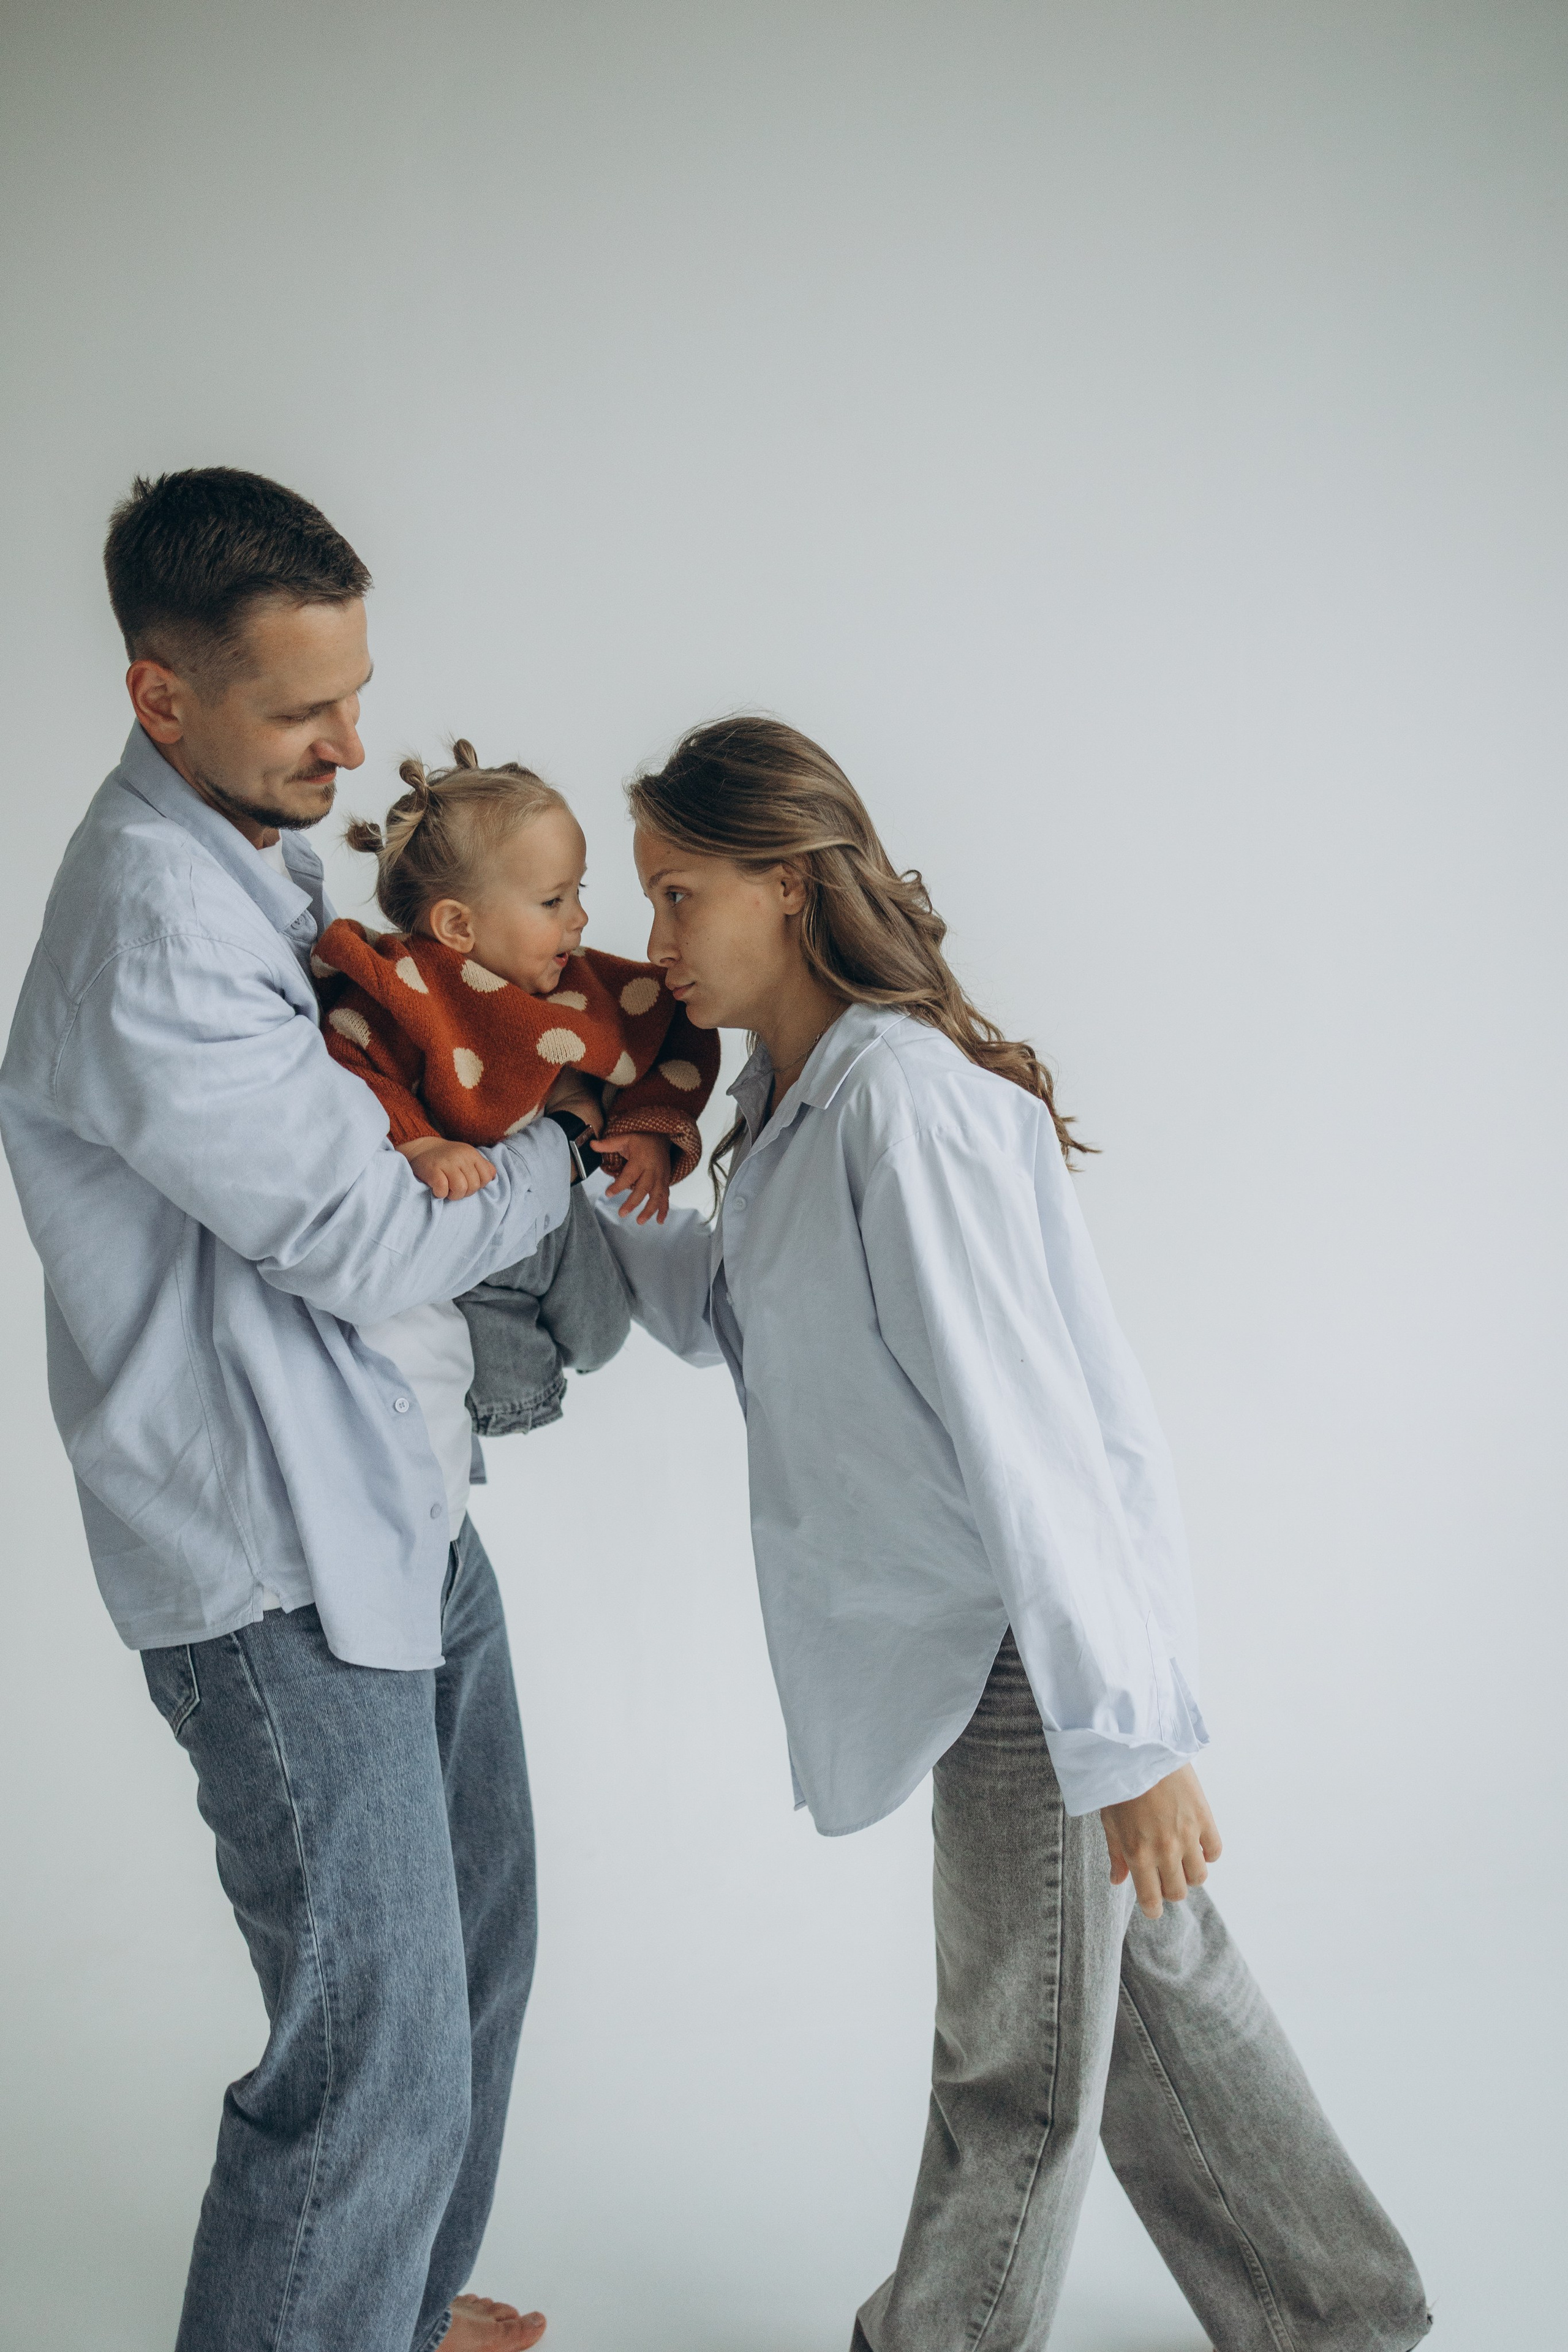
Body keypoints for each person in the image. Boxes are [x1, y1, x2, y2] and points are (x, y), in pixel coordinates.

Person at [591, 715, 1431, 2352]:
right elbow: (732, 1321)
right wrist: (585, 1175)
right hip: (987, 1651)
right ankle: (1338, 2311)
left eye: (680, 894)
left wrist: (1126, 1739)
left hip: (1024, 1667)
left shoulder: (900, 1106)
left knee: (1017, 2069)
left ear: (785, 879)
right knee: (1145, 2010)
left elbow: (1033, 1438)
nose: (656, 944)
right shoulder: (795, 1110)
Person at [0, 468, 567, 2352]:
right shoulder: (154, 922)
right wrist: (567, 1141)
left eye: (357, 685)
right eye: (302, 708)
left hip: (390, 1495)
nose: (354, 739)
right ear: (162, 700)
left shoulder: (256, 847)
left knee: (471, 1963)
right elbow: (364, 1230)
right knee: (371, 2050)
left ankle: (380, 2316)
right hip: (274, 1566)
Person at [315, 738, 720, 1430]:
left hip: (557, 1207)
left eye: (578, 893)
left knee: (603, 1333)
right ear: (457, 925)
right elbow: (350, 1058)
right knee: (506, 1376)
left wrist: (647, 1129)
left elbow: (670, 1027)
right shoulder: (405, 988)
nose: (579, 919)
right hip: (462, 1232)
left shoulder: (571, 981)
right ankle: (512, 1407)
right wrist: (418, 1145)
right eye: (553, 900)